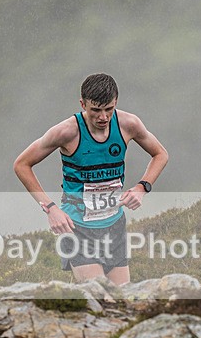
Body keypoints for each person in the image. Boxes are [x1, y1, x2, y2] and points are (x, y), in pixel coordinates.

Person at [13, 73, 169, 284]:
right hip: (77, 228)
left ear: (116, 103)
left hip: (114, 225)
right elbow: (22, 165)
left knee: (122, 300)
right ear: (83, 104)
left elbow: (160, 154)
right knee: (100, 294)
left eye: (109, 109)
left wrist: (142, 187)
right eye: (95, 110)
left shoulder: (128, 124)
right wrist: (50, 208)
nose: (103, 117)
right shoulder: (66, 132)